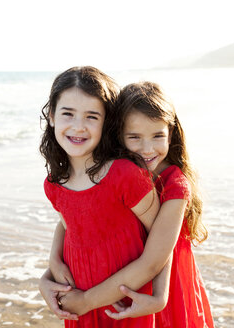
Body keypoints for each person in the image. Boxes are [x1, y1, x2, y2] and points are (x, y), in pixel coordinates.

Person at [43, 81, 215, 328]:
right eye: (134, 137)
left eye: (158, 136)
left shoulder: (175, 185)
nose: (147, 149)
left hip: (160, 285)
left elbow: (156, 257)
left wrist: (160, 297)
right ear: (117, 135)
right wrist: (51, 266)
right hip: (125, 282)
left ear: (171, 133)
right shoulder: (116, 172)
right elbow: (71, 218)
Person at [39, 67, 160, 327]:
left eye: (92, 116)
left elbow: (162, 243)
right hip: (80, 307)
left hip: (125, 306)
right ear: (51, 116)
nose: (78, 127)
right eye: (67, 114)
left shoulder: (125, 175)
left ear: (106, 122)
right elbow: (69, 224)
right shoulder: (53, 183)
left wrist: (160, 296)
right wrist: (50, 268)